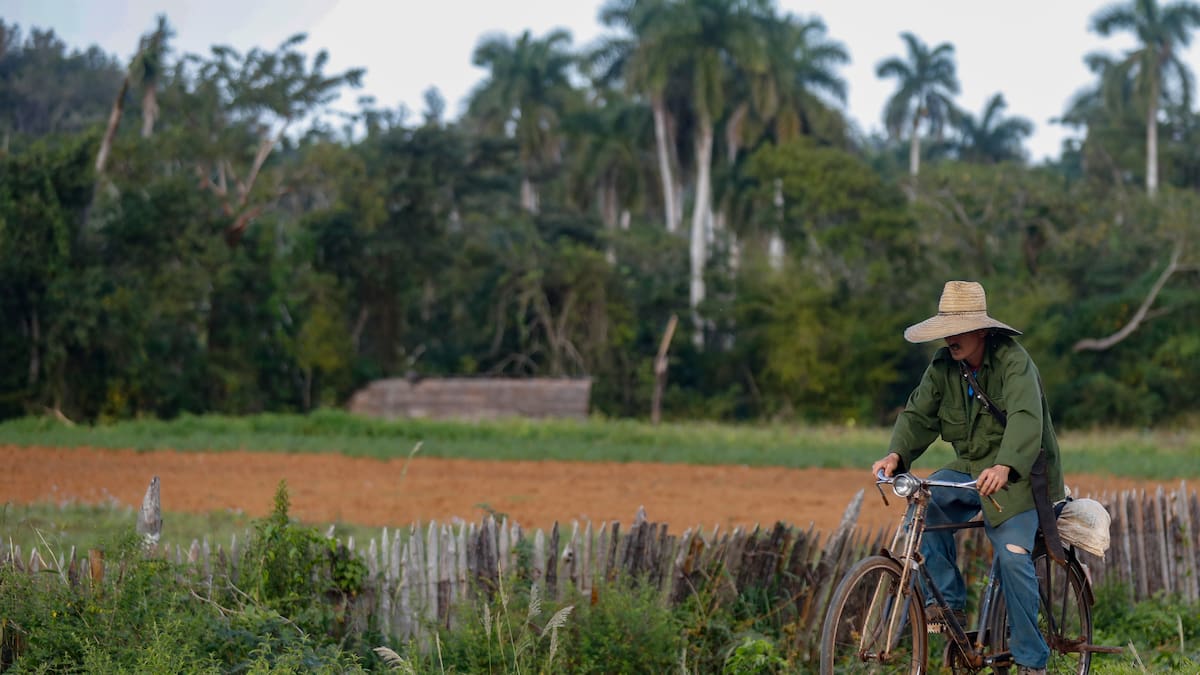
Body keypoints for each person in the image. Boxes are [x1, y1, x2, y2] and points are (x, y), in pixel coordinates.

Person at [871, 280, 1066, 675]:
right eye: (946, 331)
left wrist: (1006, 466)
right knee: (923, 508)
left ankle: (1032, 662)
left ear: (981, 330)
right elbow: (918, 414)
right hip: (970, 470)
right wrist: (896, 454)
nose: (950, 339)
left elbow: (1028, 421)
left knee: (1013, 559)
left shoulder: (1014, 361)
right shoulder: (944, 366)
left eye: (958, 330)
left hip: (1020, 477)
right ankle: (946, 606)